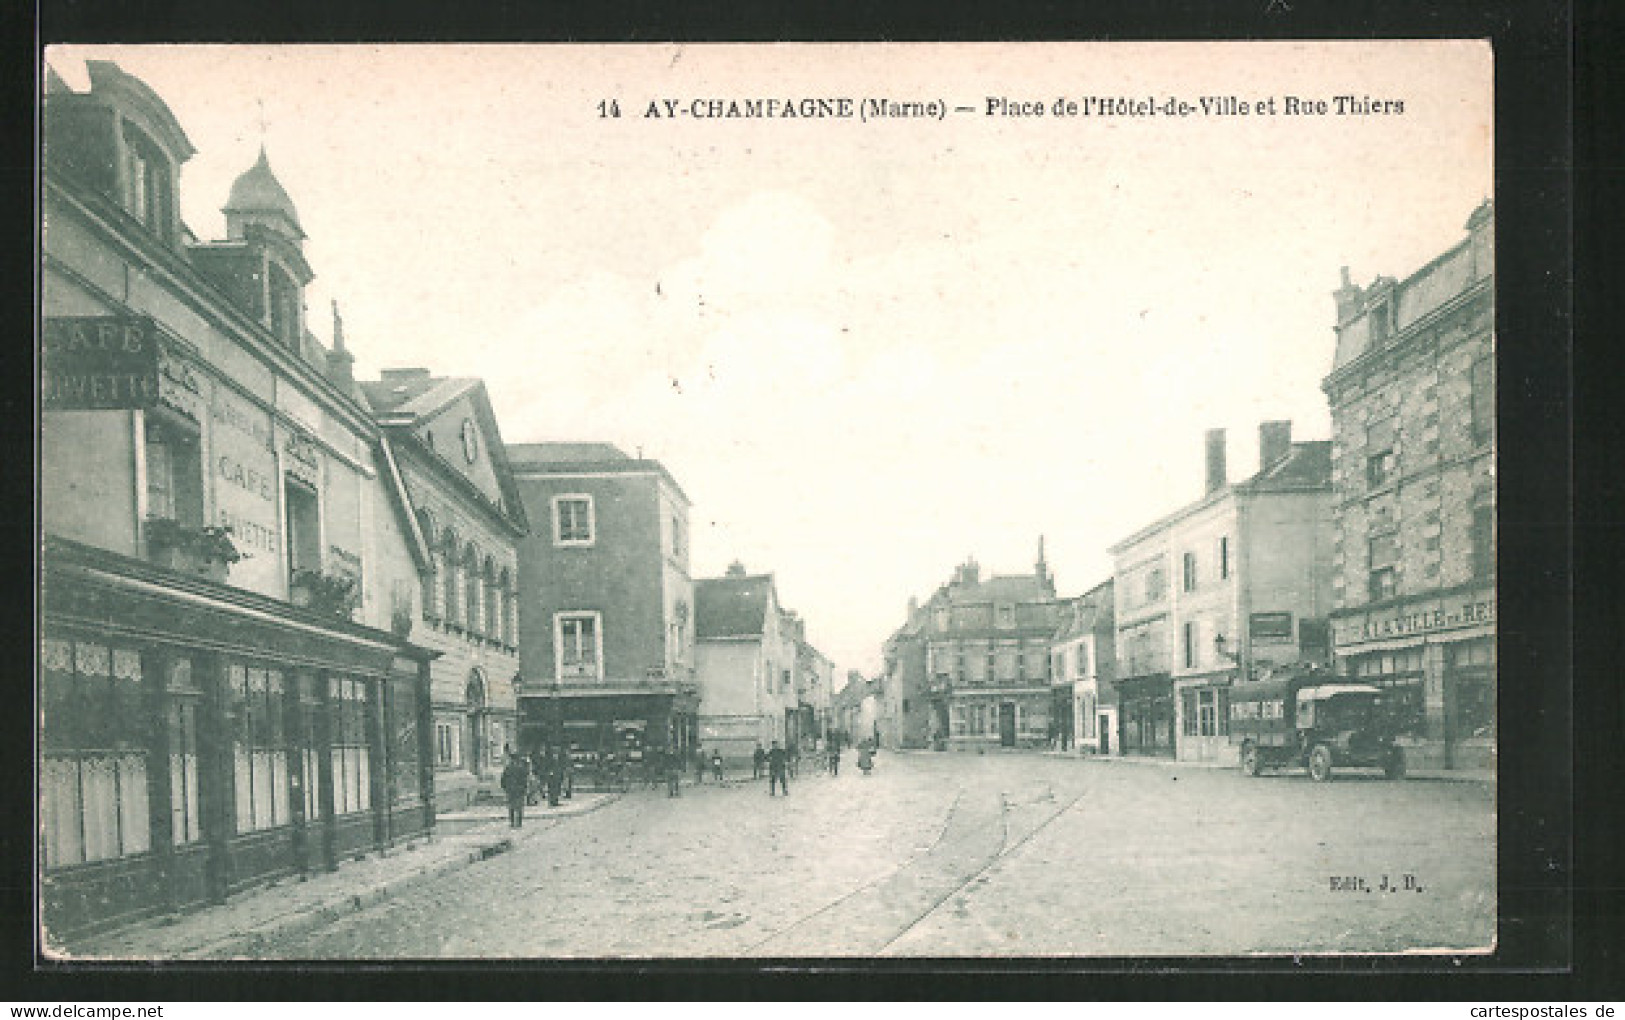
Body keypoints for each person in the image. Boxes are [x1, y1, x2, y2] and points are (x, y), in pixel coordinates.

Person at [500, 751, 530, 828]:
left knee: (512, 807)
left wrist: (505, 788)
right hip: (519, 790)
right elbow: (525, 779)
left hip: (511, 790)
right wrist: (524, 788)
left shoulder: (508, 768)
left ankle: (512, 822)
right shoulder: (521, 768)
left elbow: (503, 779)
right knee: (519, 807)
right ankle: (519, 823)